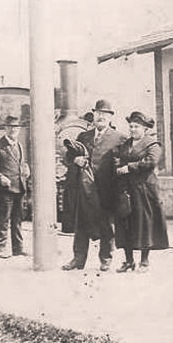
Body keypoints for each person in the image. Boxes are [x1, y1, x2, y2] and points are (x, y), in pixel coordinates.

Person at [62, 99, 126, 271]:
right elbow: (68, 156)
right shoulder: (84, 136)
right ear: (94, 116)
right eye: (98, 114)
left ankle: (106, 259)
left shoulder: (119, 138)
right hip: (85, 190)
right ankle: (78, 259)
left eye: (105, 114)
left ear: (110, 117)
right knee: (81, 224)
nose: (101, 117)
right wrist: (75, 159)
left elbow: (124, 162)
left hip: (107, 190)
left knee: (106, 225)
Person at [111, 111, 169, 272]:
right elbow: (118, 158)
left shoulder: (153, 145)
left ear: (144, 128)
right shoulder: (126, 144)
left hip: (144, 190)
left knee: (144, 224)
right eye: (131, 126)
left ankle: (144, 261)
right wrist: (117, 165)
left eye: (136, 126)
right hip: (126, 190)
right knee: (125, 224)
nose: (132, 129)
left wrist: (128, 167)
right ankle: (128, 261)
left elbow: (150, 162)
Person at [0, 115, 31, 258]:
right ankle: (0, 248)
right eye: (10, 127)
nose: (13, 130)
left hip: (20, 187)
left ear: (19, 129)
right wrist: (0, 177)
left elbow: (20, 163)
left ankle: (18, 248)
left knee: (18, 220)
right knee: (4, 219)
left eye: (16, 127)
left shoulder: (19, 145)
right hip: (5, 189)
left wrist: (26, 169)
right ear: (5, 128)